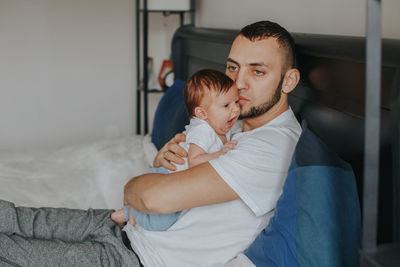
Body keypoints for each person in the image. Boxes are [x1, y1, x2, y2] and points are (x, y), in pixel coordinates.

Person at [0, 20, 301, 267]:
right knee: (15, 217)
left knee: (11, 252)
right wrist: (162, 161)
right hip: (122, 226)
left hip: (136, 258)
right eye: (233, 68)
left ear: (288, 81)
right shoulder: (230, 124)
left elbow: (152, 199)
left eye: (258, 71)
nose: (239, 83)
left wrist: (134, 187)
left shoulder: (272, 147)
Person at [111, 69, 240, 230]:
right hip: (167, 175)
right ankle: (128, 212)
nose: (235, 109)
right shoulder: (202, 130)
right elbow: (195, 161)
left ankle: (129, 211)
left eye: (236, 102)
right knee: (161, 222)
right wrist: (220, 154)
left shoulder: (221, 126)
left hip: (174, 179)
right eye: (226, 105)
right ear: (202, 113)